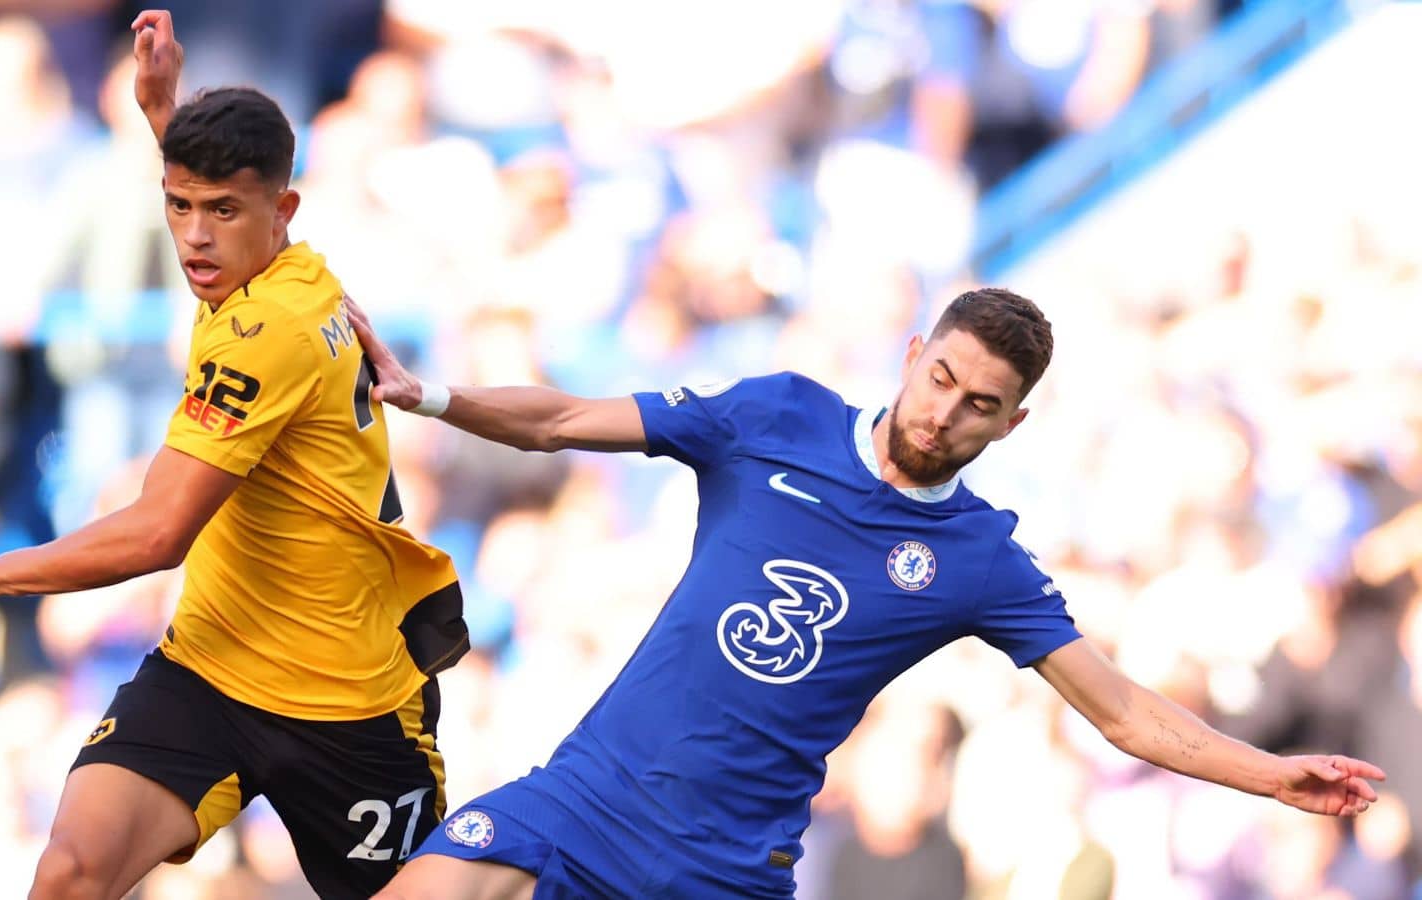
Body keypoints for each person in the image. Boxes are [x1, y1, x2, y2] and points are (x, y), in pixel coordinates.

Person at [339, 287, 1388, 900]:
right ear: (911, 356)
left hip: (724, 869)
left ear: (1009, 427)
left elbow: (1120, 710)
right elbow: (563, 421)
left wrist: (1267, 776)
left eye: (980, 406)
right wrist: (426, 395)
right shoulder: (773, 417)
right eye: (939, 380)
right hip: (585, 798)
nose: (944, 416)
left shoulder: (981, 559)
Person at [0, 11, 469, 899]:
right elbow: (219, 188)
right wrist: (164, 115)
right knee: (69, 872)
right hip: (209, 668)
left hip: (346, 700)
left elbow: (158, 534)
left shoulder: (274, 329)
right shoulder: (282, 265)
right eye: (178, 205)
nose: (193, 237)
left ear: (282, 210)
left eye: (220, 211)